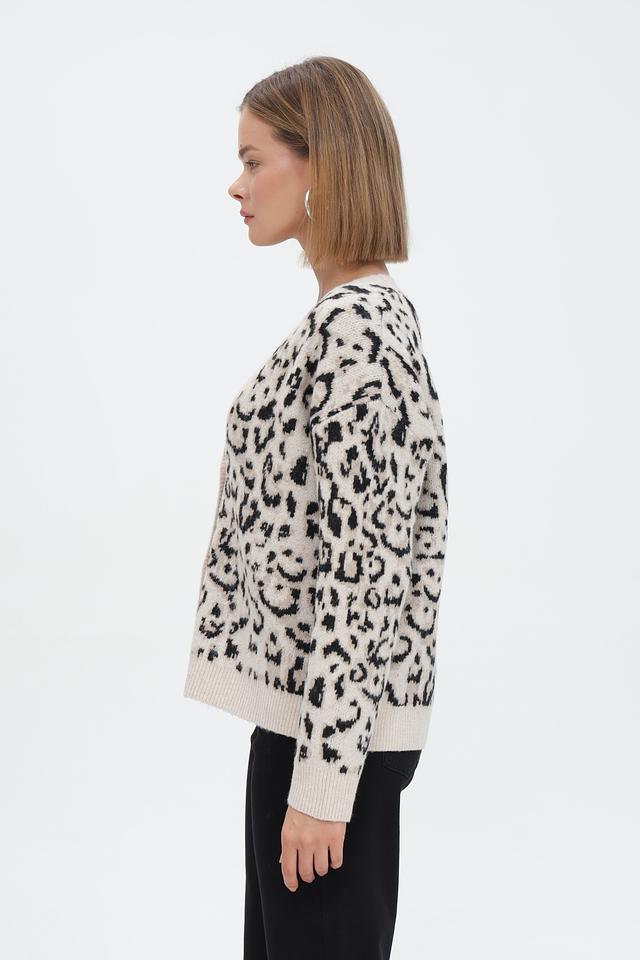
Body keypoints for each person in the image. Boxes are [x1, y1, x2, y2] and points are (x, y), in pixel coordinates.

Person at [183, 55, 448, 959]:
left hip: (332, 740)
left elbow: (364, 567)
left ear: (321, 168)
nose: (237, 185)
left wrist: (325, 784)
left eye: (254, 160)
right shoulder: (351, 321)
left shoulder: (358, 332)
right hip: (317, 729)